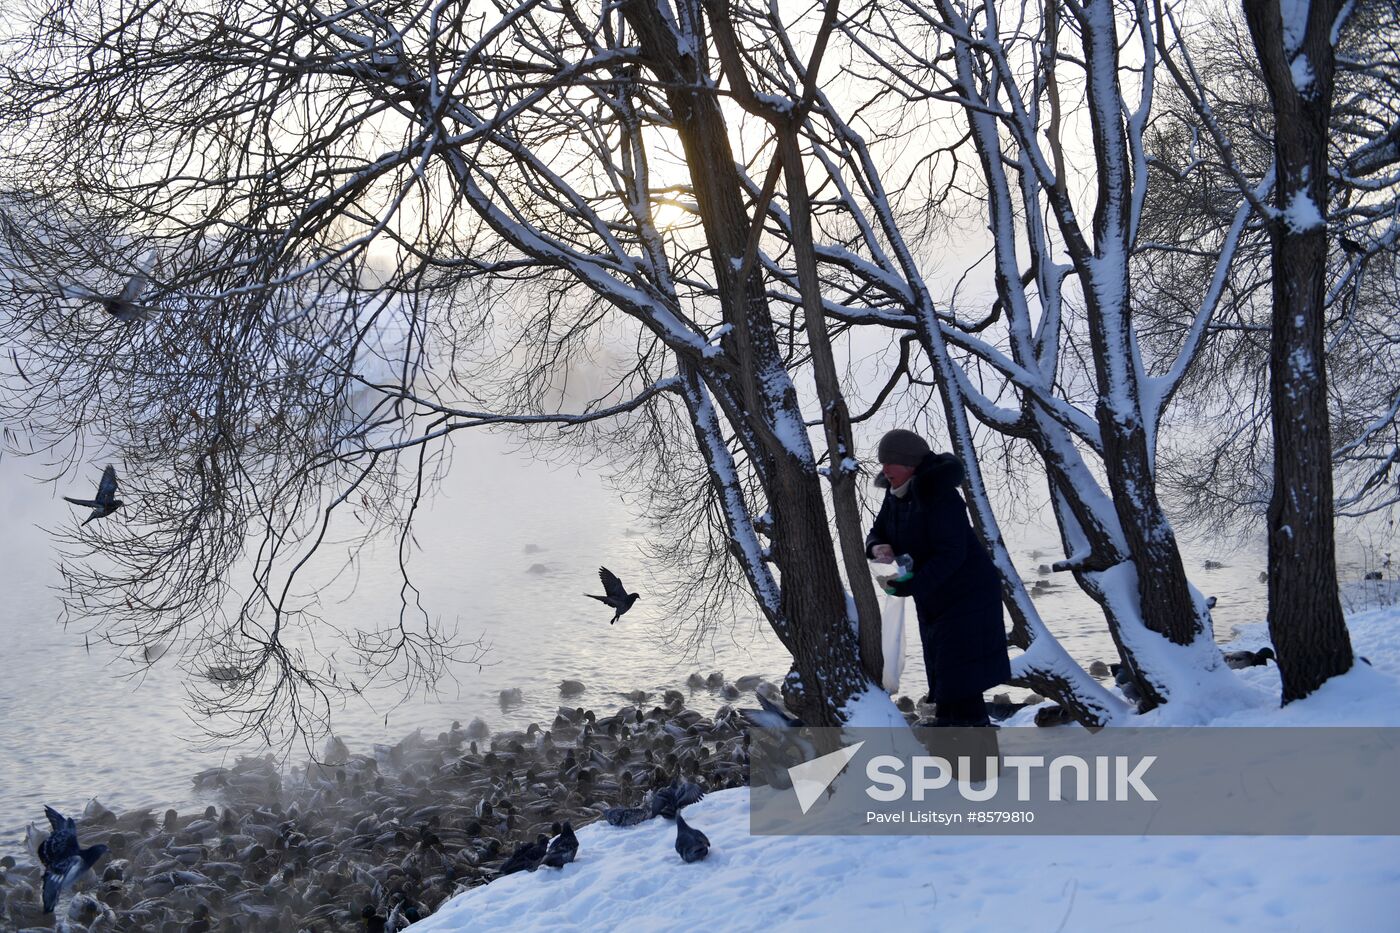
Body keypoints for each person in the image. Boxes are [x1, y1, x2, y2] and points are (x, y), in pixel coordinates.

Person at [865, 429, 1011, 727]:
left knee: (962, 680)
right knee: (947, 678)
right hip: (936, 596)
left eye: (891, 462)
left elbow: (952, 554)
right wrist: (876, 546)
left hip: (967, 594)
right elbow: (878, 530)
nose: (885, 469)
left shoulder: (940, 496)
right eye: (883, 463)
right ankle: (955, 750)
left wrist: (911, 586)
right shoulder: (897, 495)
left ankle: (974, 760)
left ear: (911, 464)